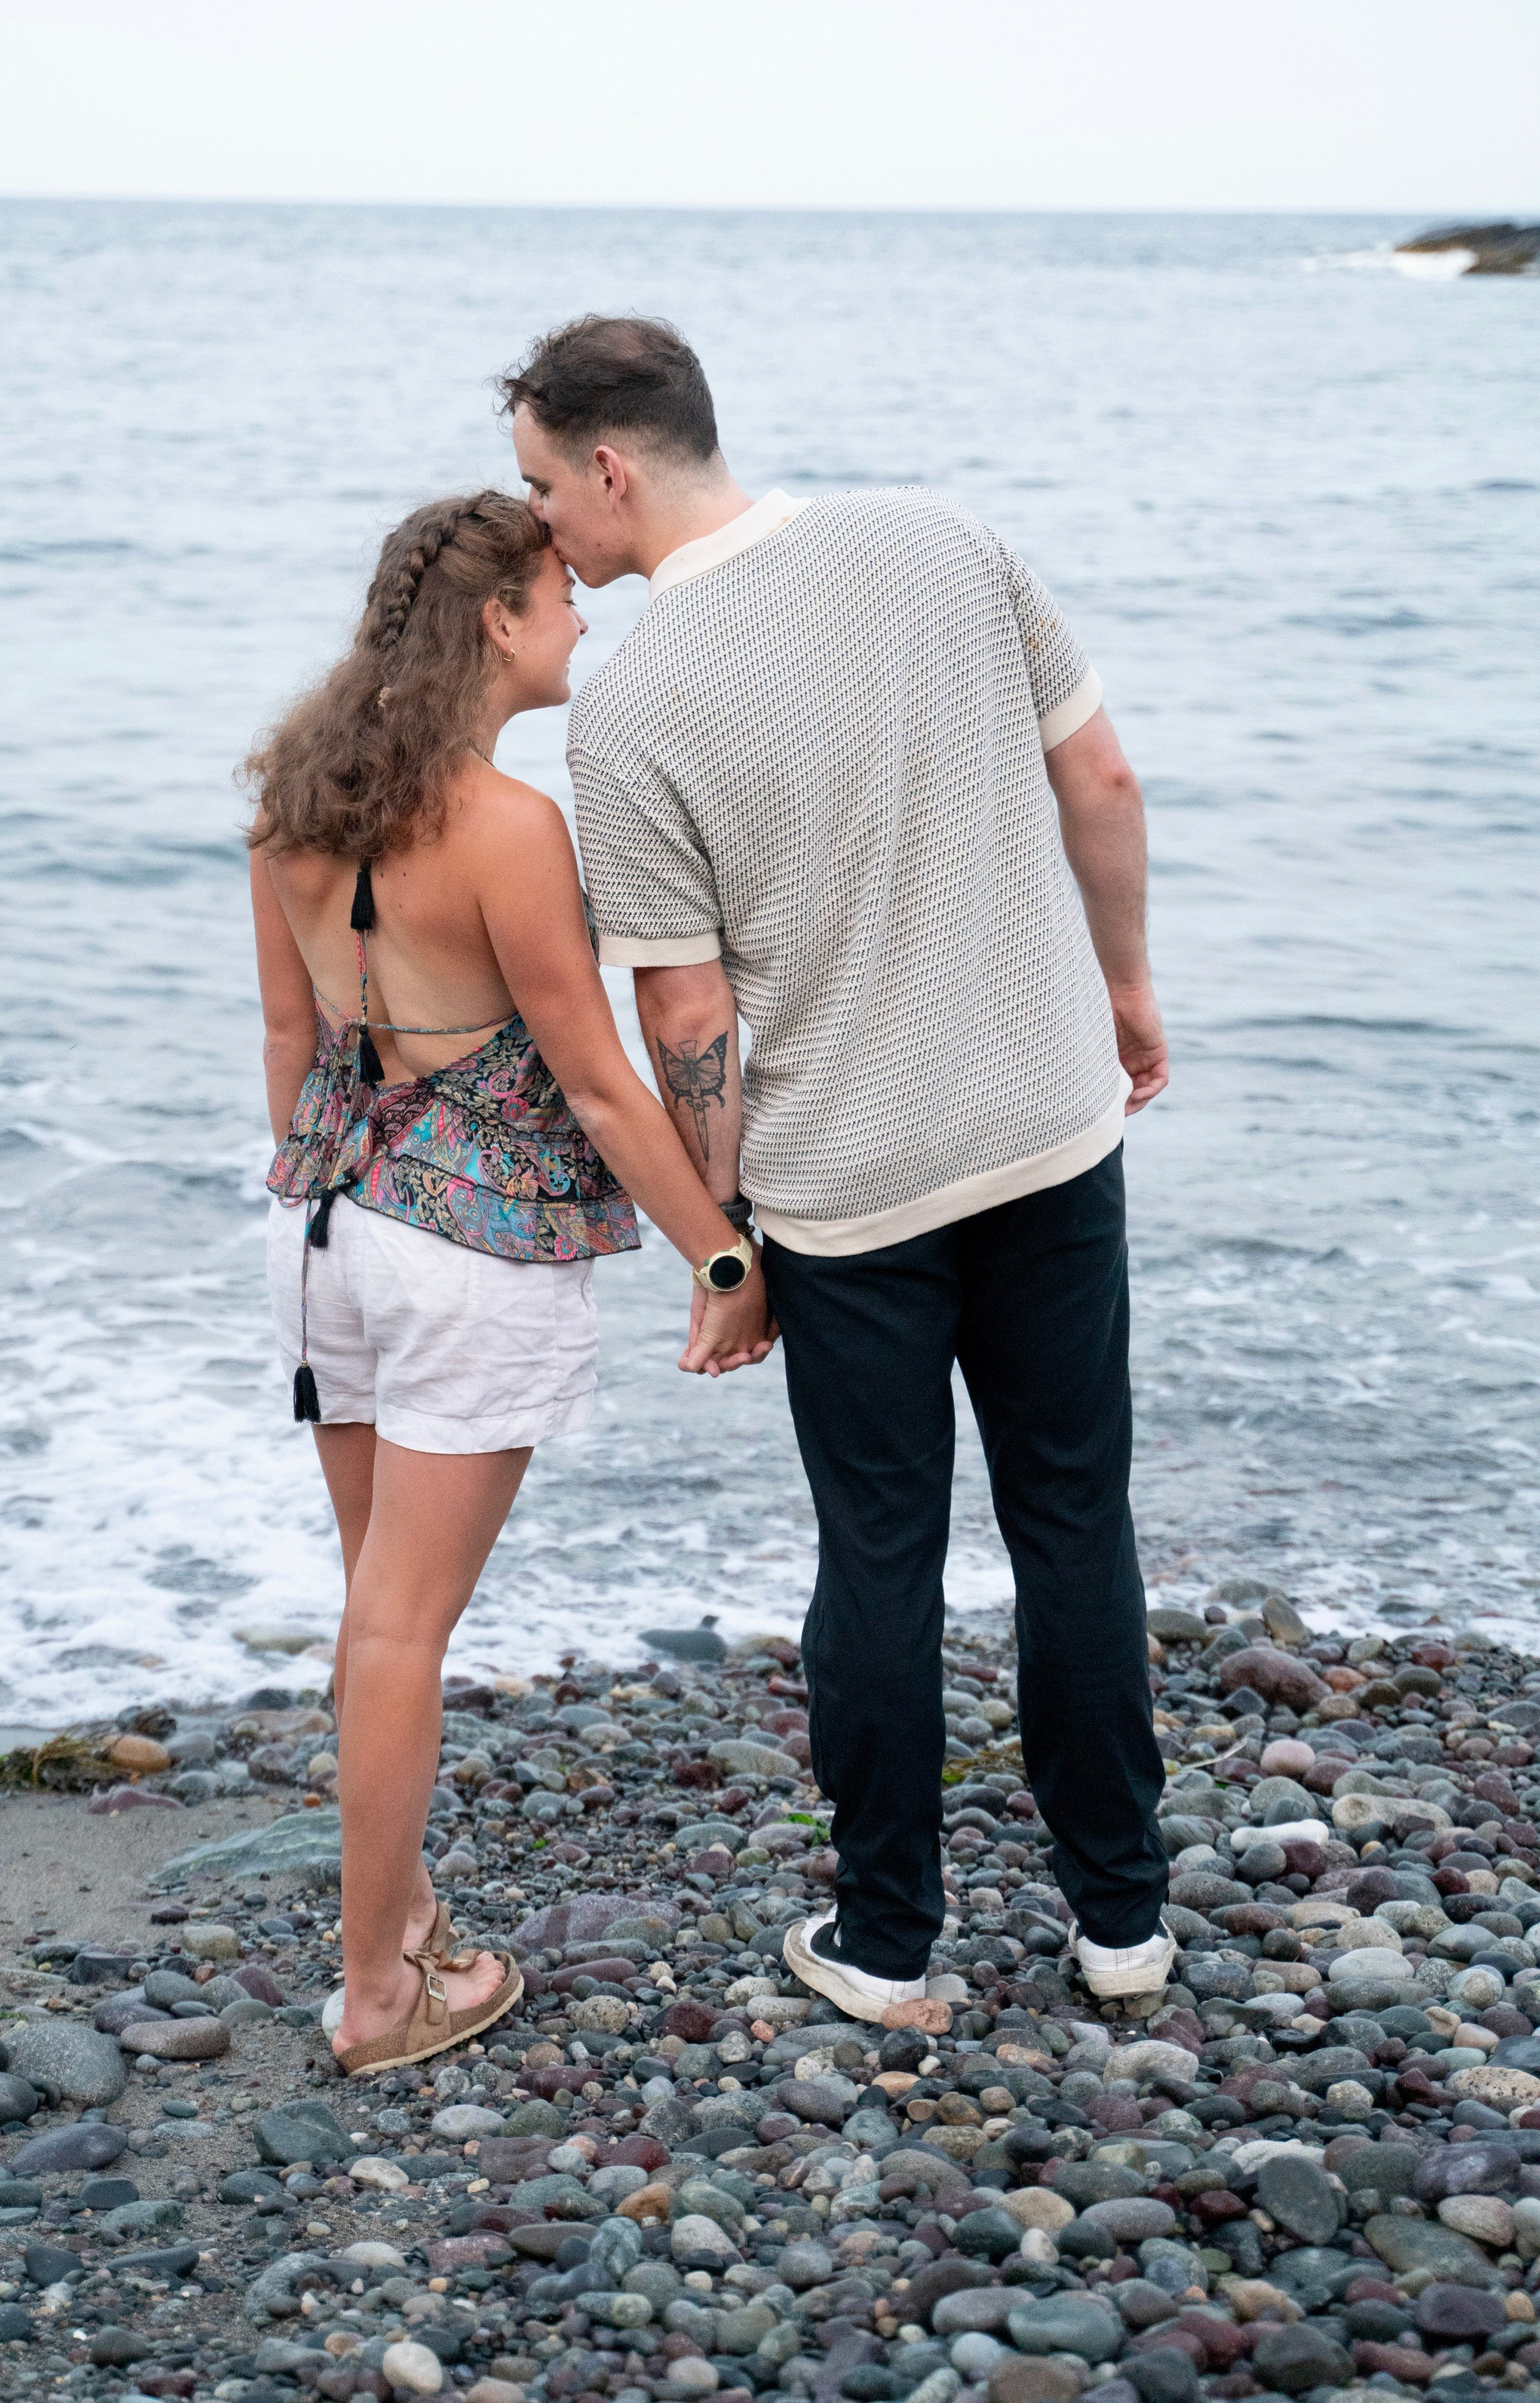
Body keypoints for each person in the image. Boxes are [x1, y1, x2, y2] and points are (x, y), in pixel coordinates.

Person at [502, 315, 1176, 2024]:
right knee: (1072, 1514)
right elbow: (1096, 774)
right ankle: (1120, 1922)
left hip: (850, 1196)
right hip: (1041, 1128)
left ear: (610, 464)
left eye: (539, 489)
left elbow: (684, 1003)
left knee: (877, 1551)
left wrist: (725, 1242)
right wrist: (1121, 983)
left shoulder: (633, 703)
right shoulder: (941, 540)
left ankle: (887, 1943)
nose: (545, 534)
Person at [244, 488, 772, 2078]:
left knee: (375, 1612)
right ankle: (376, 1995)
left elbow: (290, 1047)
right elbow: (600, 1084)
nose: (580, 616)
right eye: (557, 593)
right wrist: (726, 1255)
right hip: (465, 1255)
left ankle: (402, 1935)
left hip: (321, 1226)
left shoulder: (290, 798)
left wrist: (350, 1202)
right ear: (495, 621)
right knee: (403, 1627)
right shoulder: (506, 826)